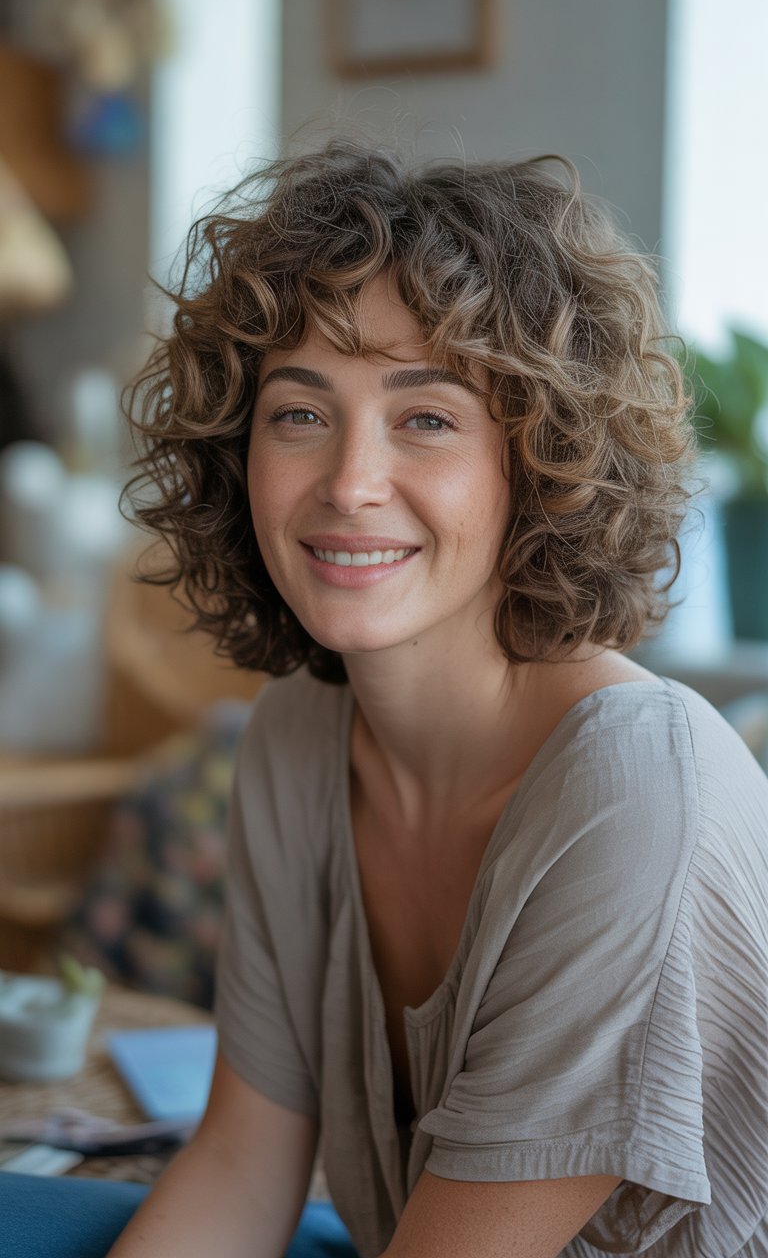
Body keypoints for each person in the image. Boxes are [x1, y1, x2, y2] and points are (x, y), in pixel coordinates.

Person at [4, 142, 765, 1257]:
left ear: (538, 463)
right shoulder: (298, 738)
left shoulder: (635, 784)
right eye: (300, 414)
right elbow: (239, 1166)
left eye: (428, 418)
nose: (349, 483)